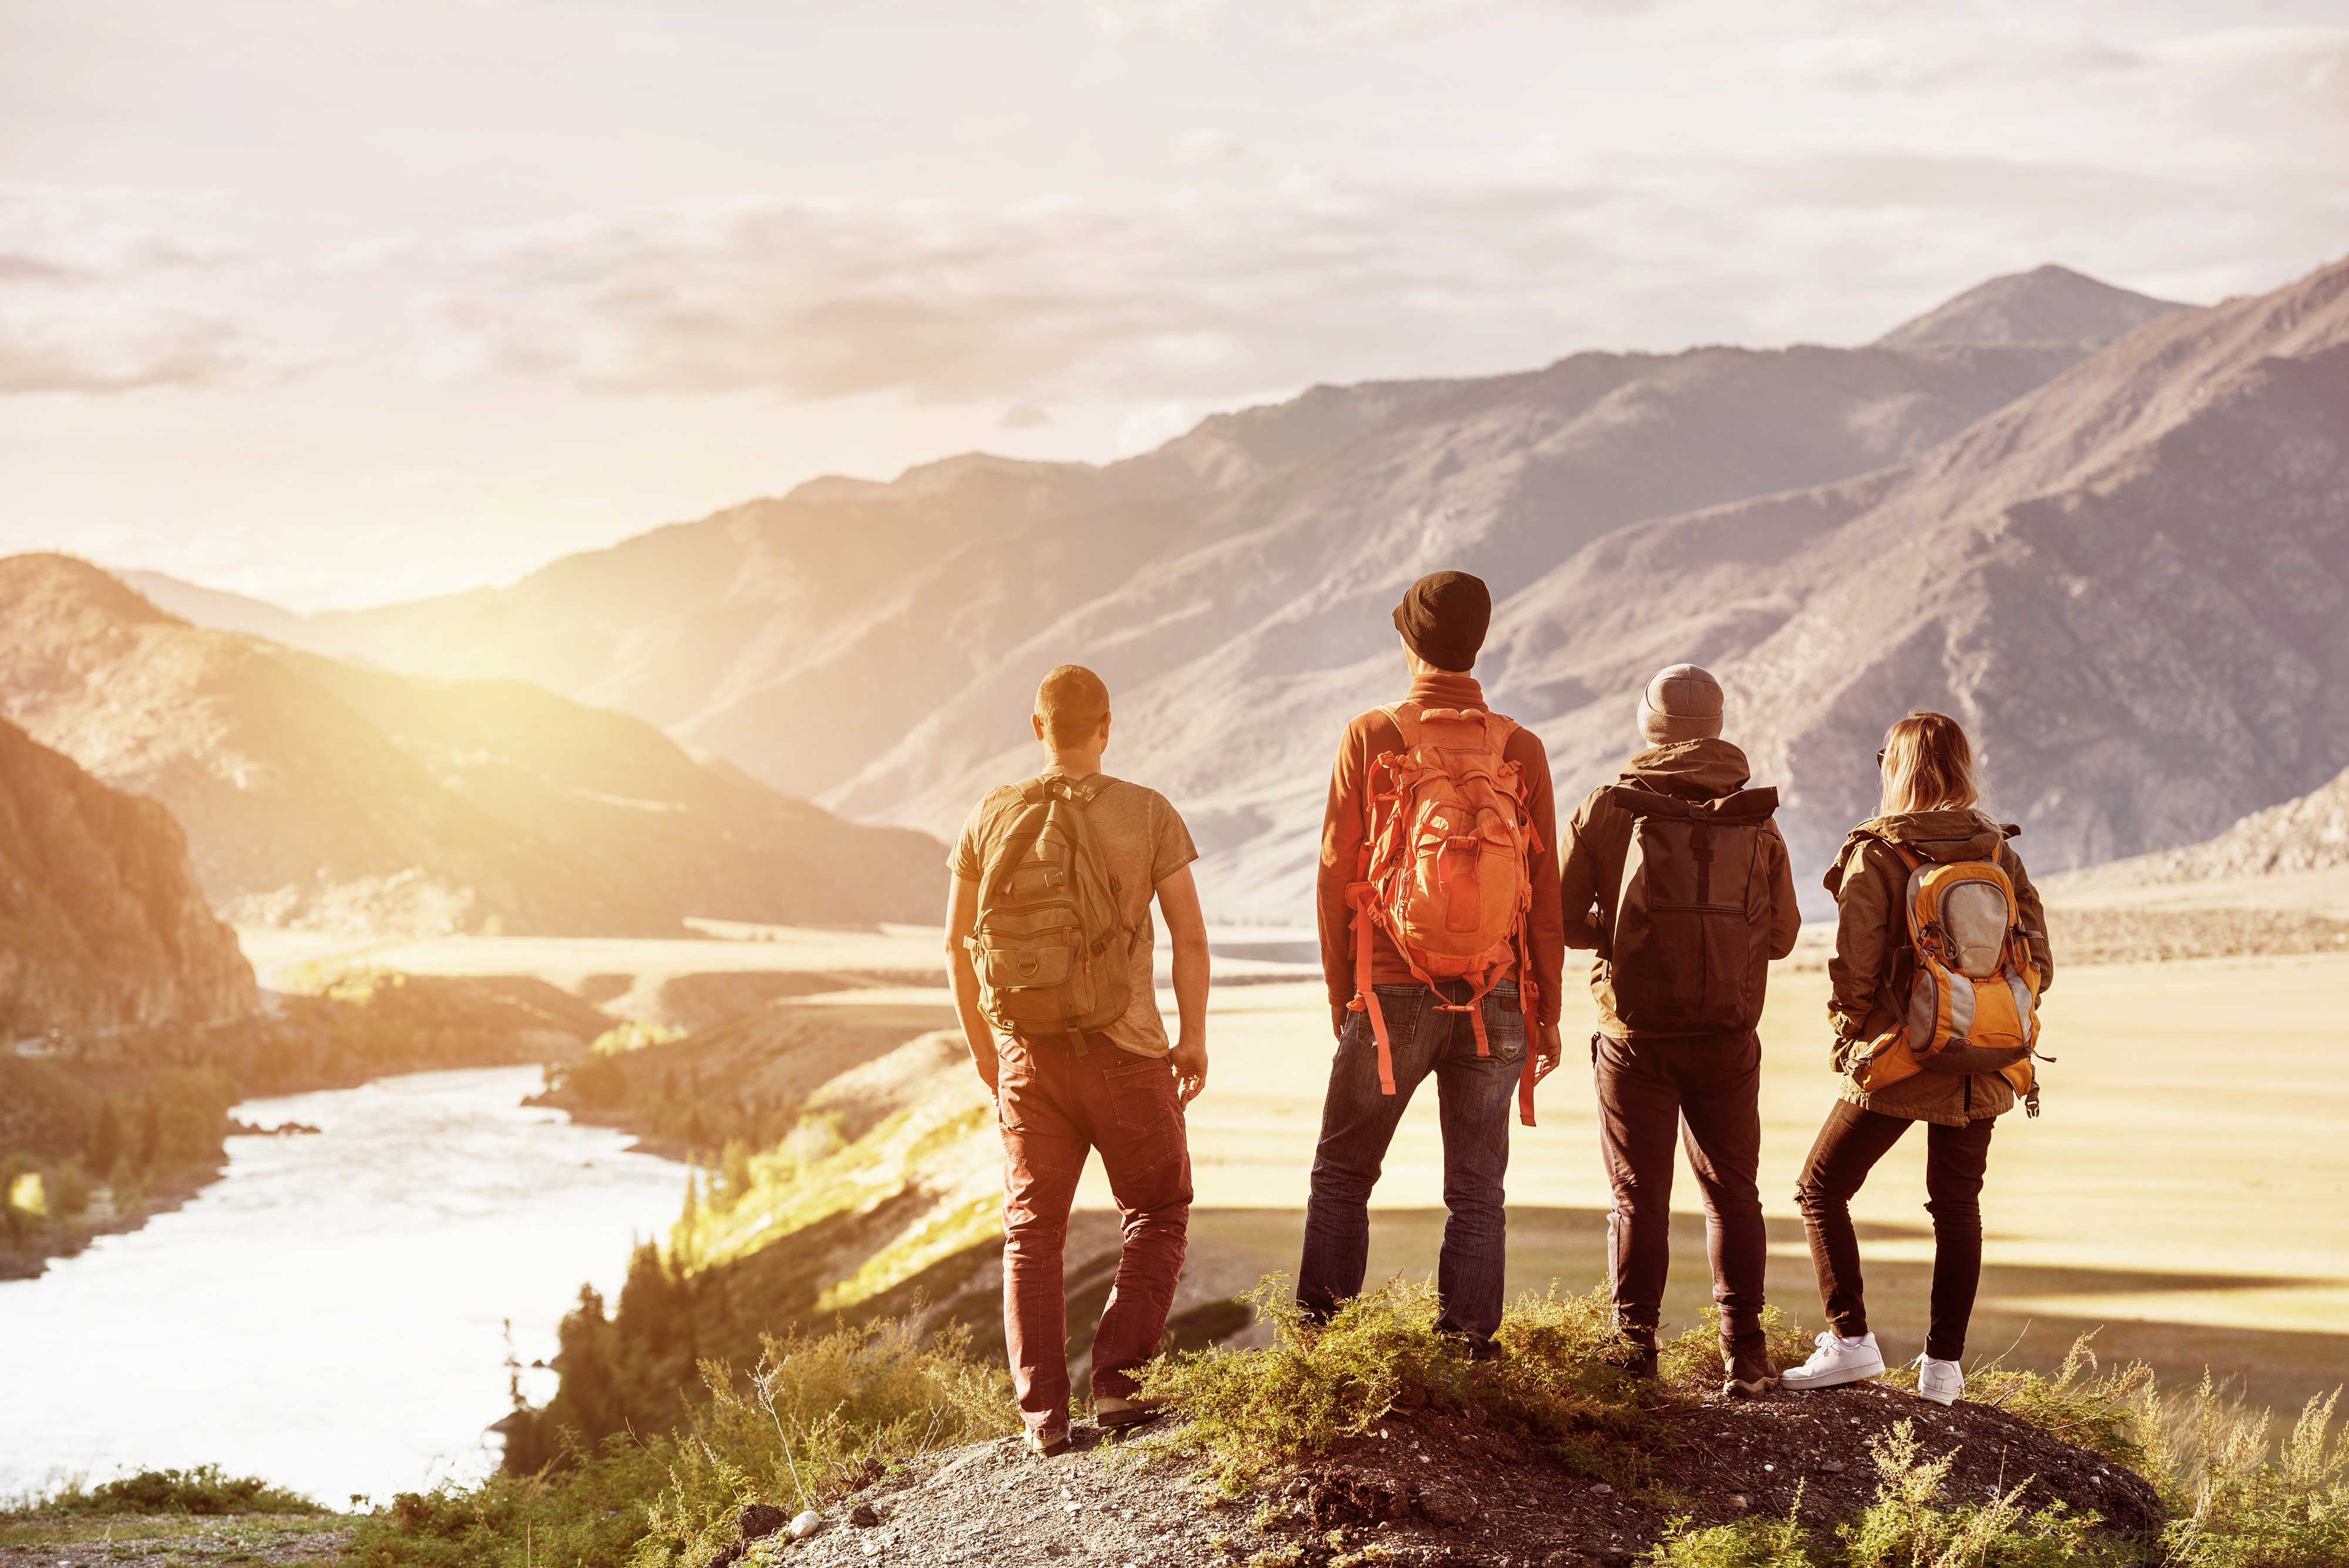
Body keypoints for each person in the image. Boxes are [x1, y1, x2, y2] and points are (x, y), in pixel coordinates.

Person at [944, 664, 1211, 1456]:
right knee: (1157, 1212)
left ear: (1036, 727)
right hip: (1128, 1053)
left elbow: (958, 949)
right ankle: (1119, 1385)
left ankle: (1043, 1418)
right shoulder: (1148, 811)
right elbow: (1191, 937)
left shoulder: (991, 814)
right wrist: (1191, 1036)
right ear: (1107, 726)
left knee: (1032, 1234)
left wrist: (988, 1053)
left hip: (1029, 1054)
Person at [1299, 570, 1566, 1358]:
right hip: (1497, 992)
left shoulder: (1372, 733)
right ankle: (1469, 1354)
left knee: (1344, 1173)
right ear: (1479, 641)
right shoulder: (1521, 748)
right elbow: (1542, 893)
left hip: (1389, 990)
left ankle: (1327, 1353)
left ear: (1408, 640)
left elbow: (1332, 873)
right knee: (1478, 1190)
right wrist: (1543, 1009)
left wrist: (1345, 993)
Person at [1781, 711, 2054, 1407]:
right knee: (1957, 1207)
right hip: (1987, 1058)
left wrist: (1850, 1038)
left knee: (1820, 1187)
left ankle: (1849, 1344)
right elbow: (2040, 964)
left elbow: (1855, 967)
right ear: (1963, 768)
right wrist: (1979, 1011)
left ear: (1894, 769)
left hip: (1901, 1058)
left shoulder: (1878, 851)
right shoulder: (1998, 852)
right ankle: (1942, 1371)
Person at [1558, 663, 1800, 1398]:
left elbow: (1566, 922)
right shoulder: (1753, 813)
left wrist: (1626, 938)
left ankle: (1635, 1354)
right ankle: (1746, 1354)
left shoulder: (1610, 807)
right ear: (1718, 725)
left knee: (1638, 1198)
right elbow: (1784, 936)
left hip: (1633, 1037)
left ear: (1648, 726)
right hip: (1727, 1035)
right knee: (1734, 1194)